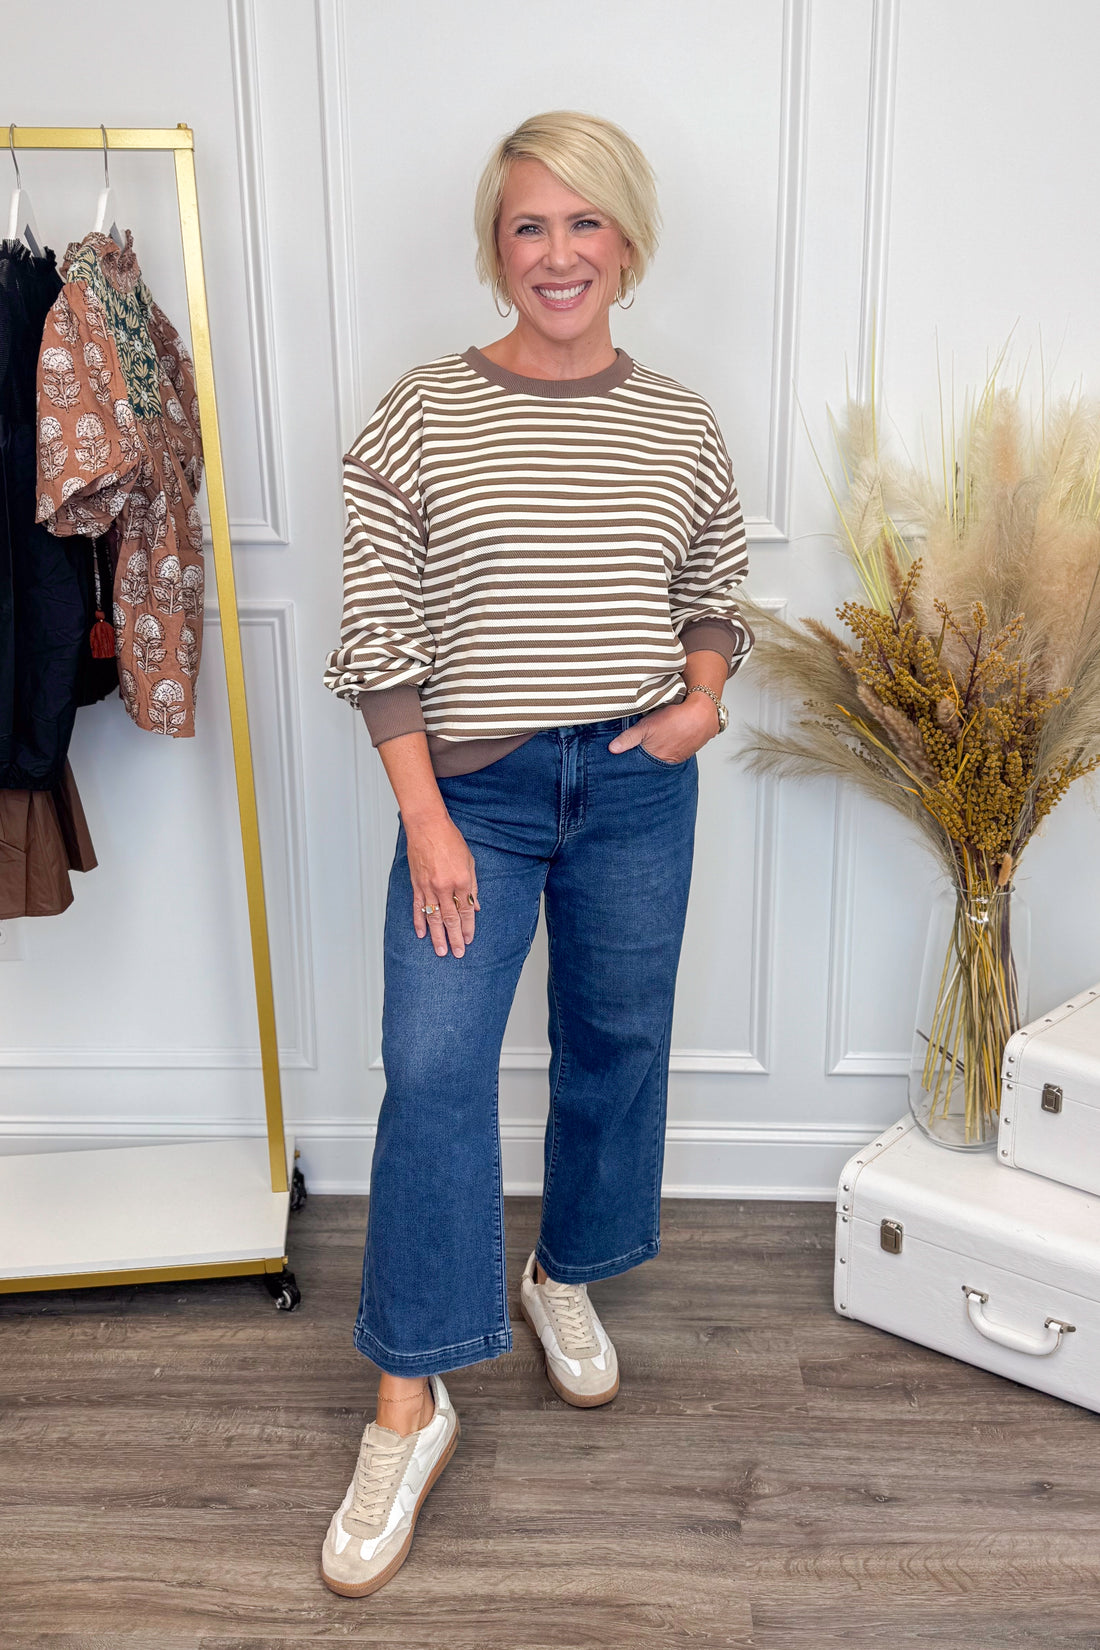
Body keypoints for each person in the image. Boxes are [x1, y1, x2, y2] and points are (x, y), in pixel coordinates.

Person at [320, 109, 753, 1597]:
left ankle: (563, 1268)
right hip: (478, 797)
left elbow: (715, 578)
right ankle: (409, 1397)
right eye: (527, 225)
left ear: (627, 240)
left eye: (584, 224)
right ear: (494, 247)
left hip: (635, 779)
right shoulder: (418, 416)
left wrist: (701, 701)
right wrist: (427, 818)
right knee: (432, 1066)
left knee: (614, 1036)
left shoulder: (681, 420)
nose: (556, 254)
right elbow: (377, 634)